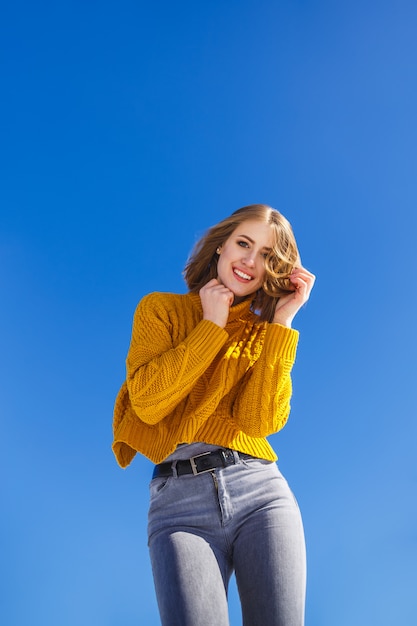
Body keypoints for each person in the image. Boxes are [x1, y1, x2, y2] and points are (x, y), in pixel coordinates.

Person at [112, 203, 315, 626]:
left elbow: (260, 422)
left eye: (266, 256)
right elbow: (148, 402)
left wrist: (283, 322)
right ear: (221, 246)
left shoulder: (264, 335)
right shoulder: (161, 310)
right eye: (244, 243)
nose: (250, 260)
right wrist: (210, 326)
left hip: (259, 491)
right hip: (177, 504)